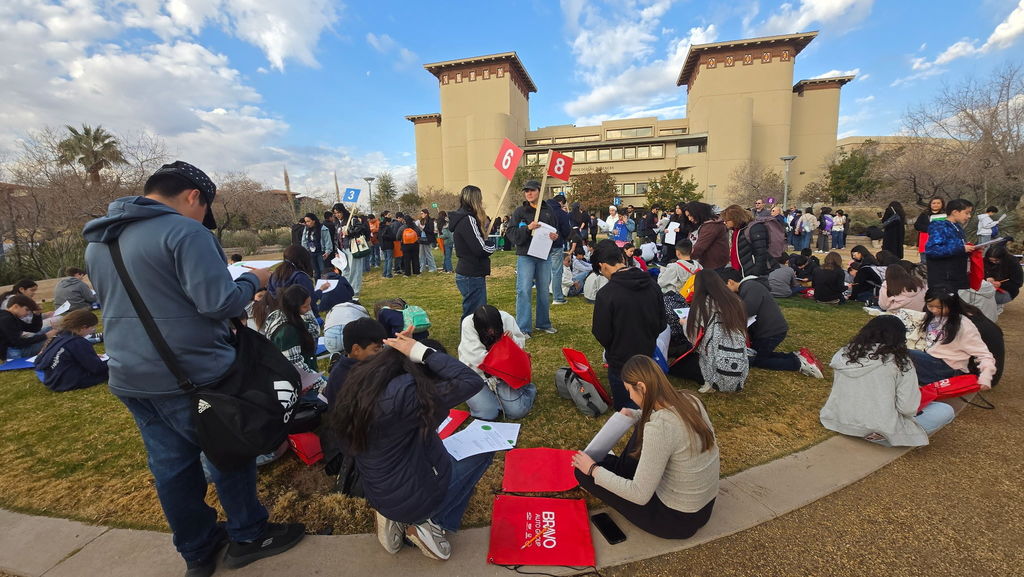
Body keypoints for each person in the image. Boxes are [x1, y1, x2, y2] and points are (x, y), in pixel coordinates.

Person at [82, 161, 303, 576]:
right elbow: (220, 303)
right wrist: (253, 280)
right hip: (192, 376)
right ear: (193, 196)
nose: (205, 220)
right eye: (206, 210)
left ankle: (198, 551)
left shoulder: (99, 241)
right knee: (229, 453)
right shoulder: (185, 232)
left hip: (130, 376)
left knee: (171, 469)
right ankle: (248, 534)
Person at [329, 329, 492, 561]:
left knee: (430, 445)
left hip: (376, 488)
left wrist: (398, 351)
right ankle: (428, 523)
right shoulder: (409, 394)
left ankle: (391, 515)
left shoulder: (363, 380)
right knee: (482, 454)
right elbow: (470, 381)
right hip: (413, 497)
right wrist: (423, 352)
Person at [571, 355, 718, 540]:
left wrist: (592, 470)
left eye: (629, 391)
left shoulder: (660, 427)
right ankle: (616, 471)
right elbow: (668, 421)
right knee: (644, 423)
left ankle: (606, 470)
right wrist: (635, 414)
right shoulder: (690, 400)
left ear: (642, 387)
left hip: (675, 520)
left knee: (582, 472)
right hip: (704, 509)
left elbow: (639, 495)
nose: (630, 397)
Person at [820, 315, 955, 447]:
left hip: (837, 421)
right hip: (880, 431)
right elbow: (908, 408)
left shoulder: (844, 353)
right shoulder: (900, 362)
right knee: (944, 410)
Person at [591, 240, 666, 410]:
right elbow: (662, 323)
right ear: (622, 259)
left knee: (627, 409)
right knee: (646, 400)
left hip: (620, 362)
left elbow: (601, 332)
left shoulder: (607, 294)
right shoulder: (653, 286)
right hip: (647, 355)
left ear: (603, 266)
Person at [716, 268, 823, 378]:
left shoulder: (750, 287)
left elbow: (748, 310)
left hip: (771, 332)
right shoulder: (748, 287)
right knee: (758, 354)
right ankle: (795, 356)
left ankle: (797, 364)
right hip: (768, 331)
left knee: (757, 360)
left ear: (730, 282)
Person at [457, 304, 537, 420]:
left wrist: (511, 341)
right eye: (487, 330)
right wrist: (503, 350)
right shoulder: (468, 323)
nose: (491, 332)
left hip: (502, 373)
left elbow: (520, 345)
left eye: (493, 328)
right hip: (477, 373)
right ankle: (491, 399)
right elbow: (478, 358)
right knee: (487, 413)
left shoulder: (506, 318)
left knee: (516, 411)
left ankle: (528, 390)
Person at [911, 289, 996, 389]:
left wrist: (986, 376)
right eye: (930, 306)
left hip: (949, 369)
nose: (934, 310)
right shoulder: (933, 317)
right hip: (933, 361)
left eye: (939, 307)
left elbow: (984, 354)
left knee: (901, 355)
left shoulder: (963, 325)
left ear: (952, 305)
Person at [507, 180, 559, 335]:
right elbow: (511, 234)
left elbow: (556, 231)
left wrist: (555, 236)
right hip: (526, 256)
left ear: (539, 191)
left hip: (544, 255)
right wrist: (528, 229)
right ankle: (523, 327)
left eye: (532, 190)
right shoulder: (519, 212)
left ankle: (543, 323)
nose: (528, 193)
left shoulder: (549, 210)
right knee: (523, 290)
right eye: (526, 191)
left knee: (543, 290)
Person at [686, 271, 749, 393]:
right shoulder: (736, 301)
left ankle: (709, 382)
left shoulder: (703, 304)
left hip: (711, 354)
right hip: (737, 351)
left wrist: (684, 323)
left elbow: (693, 337)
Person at [260, 285, 326, 401]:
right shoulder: (288, 332)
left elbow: (315, 331)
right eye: (305, 306)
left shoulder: (281, 313)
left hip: (306, 376)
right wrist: (321, 385)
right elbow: (296, 365)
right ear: (294, 307)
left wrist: (305, 311)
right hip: (300, 384)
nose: (310, 309)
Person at [449, 185, 496, 319]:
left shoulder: (465, 219)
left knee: (473, 312)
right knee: (473, 314)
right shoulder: (468, 219)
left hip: (469, 272)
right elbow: (480, 249)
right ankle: (468, 339)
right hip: (471, 273)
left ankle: (472, 338)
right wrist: (491, 245)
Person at [34, 309, 108, 392]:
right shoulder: (78, 342)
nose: (92, 331)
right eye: (92, 328)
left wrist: (90, 356)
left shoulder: (59, 336)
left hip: (52, 378)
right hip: (67, 381)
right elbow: (97, 368)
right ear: (83, 327)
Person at [926, 198, 976, 291]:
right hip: (943, 279)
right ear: (955, 212)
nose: (969, 216)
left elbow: (958, 249)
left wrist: (972, 249)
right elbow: (932, 250)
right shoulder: (939, 226)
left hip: (956, 275)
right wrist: (961, 249)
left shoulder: (957, 227)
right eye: (967, 213)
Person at [266, 245, 326, 316]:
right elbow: (310, 300)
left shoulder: (275, 274)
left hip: (281, 314)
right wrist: (321, 290)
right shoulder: (301, 277)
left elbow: (271, 293)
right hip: (302, 316)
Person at [721, 204, 776, 277]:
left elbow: (761, 253)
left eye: (726, 220)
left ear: (735, 218)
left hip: (752, 272)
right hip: (741, 269)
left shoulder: (754, 228)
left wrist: (756, 273)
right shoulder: (737, 230)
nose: (725, 222)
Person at [0, 295, 55, 360]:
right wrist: (46, 336)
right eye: (27, 309)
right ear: (15, 306)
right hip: (13, 353)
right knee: (54, 340)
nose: (28, 313)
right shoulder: (7, 319)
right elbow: (18, 343)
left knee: (50, 329)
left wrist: (37, 314)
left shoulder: (9, 315)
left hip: (15, 348)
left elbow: (34, 329)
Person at [686, 202, 729, 270]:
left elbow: (699, 247)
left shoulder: (711, 226)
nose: (689, 219)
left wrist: (685, 259)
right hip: (708, 263)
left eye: (690, 215)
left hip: (713, 265)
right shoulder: (703, 225)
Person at [548, 194, 573, 305]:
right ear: (562, 202)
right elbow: (567, 231)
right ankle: (557, 297)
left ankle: (544, 294)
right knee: (557, 271)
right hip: (556, 244)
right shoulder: (562, 214)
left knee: (544, 271)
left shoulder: (542, 210)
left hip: (541, 245)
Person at [300, 213, 333, 280]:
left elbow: (327, 241)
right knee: (315, 272)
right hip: (311, 253)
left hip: (321, 253)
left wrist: (327, 252)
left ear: (314, 221)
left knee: (323, 271)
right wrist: (305, 251)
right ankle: (317, 287)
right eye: (305, 222)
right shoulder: (306, 229)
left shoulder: (323, 228)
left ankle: (325, 286)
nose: (307, 223)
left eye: (308, 221)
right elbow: (304, 241)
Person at [914, 197, 945, 263]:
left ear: (942, 204)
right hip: (925, 241)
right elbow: (917, 225)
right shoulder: (924, 214)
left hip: (940, 242)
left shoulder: (945, 215)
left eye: (938, 203)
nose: (936, 205)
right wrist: (929, 228)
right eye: (933, 203)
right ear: (930, 204)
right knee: (924, 262)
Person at [418, 208, 439, 273]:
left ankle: (433, 267)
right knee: (421, 255)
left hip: (427, 239)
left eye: (422, 213)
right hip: (422, 239)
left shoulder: (430, 221)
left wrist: (423, 228)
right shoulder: (421, 220)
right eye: (421, 213)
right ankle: (422, 268)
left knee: (428, 254)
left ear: (426, 214)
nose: (421, 214)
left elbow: (431, 231)